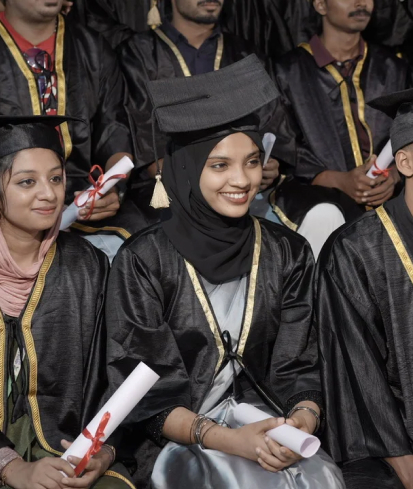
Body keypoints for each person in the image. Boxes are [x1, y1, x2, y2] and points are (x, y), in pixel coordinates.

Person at [105, 56, 344, 489]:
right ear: (187, 168)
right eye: (220, 165)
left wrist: (302, 423)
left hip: (268, 423)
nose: (242, 180)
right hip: (178, 438)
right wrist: (228, 440)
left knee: (320, 478)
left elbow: (300, 363)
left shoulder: (287, 252)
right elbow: (144, 392)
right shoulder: (144, 260)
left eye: (252, 162)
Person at [0, 115, 134, 489]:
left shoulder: (87, 266)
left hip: (69, 449)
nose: (49, 194)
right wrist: (10, 467)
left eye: (56, 178)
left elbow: (116, 369)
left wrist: (102, 451)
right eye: (27, 182)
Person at [114, 0, 299, 232]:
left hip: (246, 188)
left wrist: (270, 162)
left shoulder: (243, 52)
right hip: (169, 193)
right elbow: (141, 129)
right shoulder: (137, 53)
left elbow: (272, 120)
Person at [0, 0, 132, 235]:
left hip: (83, 203)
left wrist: (112, 188)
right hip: (0, 212)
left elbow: (114, 132)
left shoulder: (93, 48)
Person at [315, 87, 413, 489]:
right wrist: (405, 466)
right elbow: (357, 375)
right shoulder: (354, 251)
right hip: (388, 443)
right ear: (405, 161)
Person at [272, 0, 411, 257]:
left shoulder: (394, 67)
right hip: (315, 196)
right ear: (320, 5)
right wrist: (340, 181)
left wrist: (394, 176)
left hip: (391, 192)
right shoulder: (287, 71)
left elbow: (407, 131)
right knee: (326, 218)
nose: (361, 3)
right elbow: (284, 148)